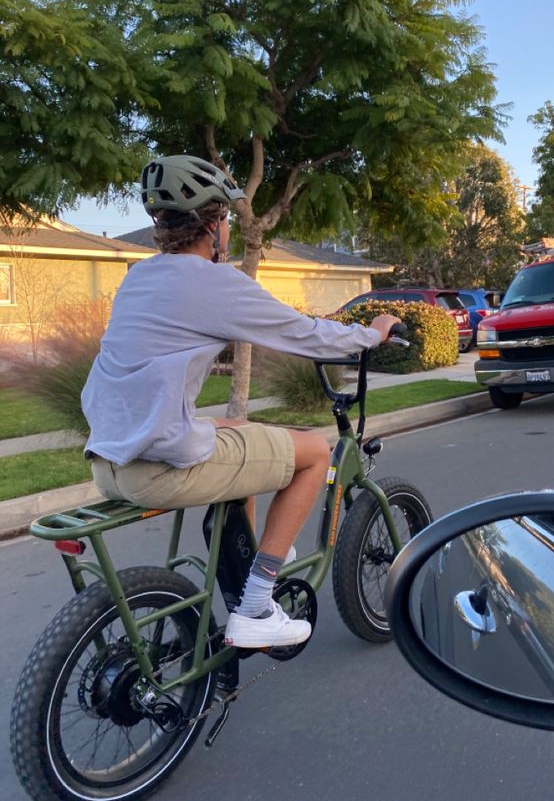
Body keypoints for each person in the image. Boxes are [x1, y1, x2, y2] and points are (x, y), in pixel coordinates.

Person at [81, 155, 401, 650]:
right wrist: (371, 334)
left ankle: (250, 558)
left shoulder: (139, 278)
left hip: (109, 460)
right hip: (159, 466)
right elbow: (308, 335)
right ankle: (255, 604)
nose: (228, 227)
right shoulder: (215, 282)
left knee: (239, 426)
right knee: (315, 453)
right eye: (227, 217)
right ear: (212, 224)